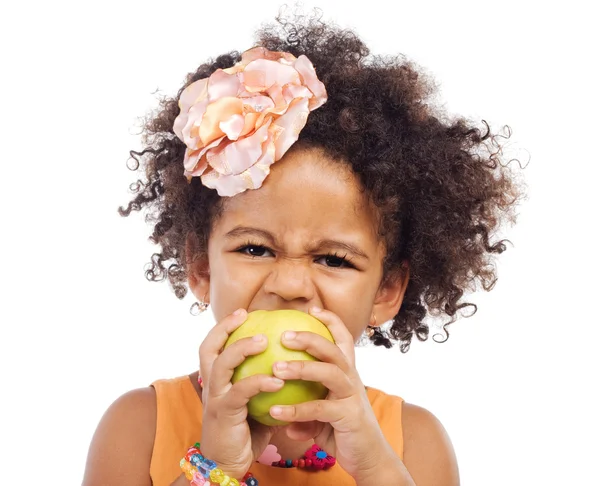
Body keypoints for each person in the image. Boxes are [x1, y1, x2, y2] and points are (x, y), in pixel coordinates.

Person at [82, 12, 523, 486]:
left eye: (334, 259)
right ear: (201, 268)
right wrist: (215, 466)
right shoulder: (139, 427)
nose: (289, 285)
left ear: (386, 290)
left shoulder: (412, 442)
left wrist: (374, 467)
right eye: (254, 249)